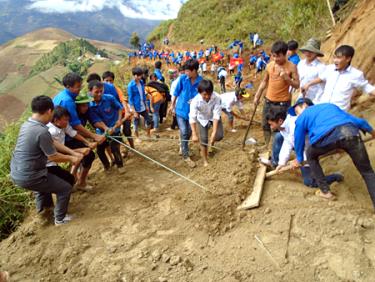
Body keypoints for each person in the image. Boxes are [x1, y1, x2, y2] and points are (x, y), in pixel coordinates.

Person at [11, 96, 82, 225]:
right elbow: (53, 156)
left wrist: (72, 153)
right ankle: (60, 219)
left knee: (42, 187)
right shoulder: (41, 131)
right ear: (50, 111)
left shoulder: (27, 125)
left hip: (17, 173)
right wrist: (72, 158)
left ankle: (44, 212)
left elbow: (52, 142)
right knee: (65, 188)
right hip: (31, 175)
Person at [290, 99, 375, 206]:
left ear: (304, 105)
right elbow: (360, 122)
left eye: (297, 111)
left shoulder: (303, 116)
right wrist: (373, 133)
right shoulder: (329, 106)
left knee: (310, 155)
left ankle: (325, 192)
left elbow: (298, 138)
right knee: (367, 172)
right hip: (351, 134)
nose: (297, 115)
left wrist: (299, 158)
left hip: (327, 137)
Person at [264, 107, 343, 188]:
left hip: (317, 146)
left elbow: (310, 146)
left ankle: (336, 176)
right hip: (303, 147)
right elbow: (288, 142)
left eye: (271, 124)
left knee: (309, 181)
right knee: (279, 137)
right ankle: (276, 162)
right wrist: (282, 163)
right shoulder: (284, 127)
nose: (270, 127)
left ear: (280, 121)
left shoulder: (295, 126)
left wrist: (299, 160)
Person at [53, 73, 103, 188]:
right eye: (77, 87)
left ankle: (75, 179)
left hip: (65, 134)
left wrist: (87, 140)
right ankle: (79, 182)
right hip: (64, 138)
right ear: (68, 86)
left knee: (80, 156)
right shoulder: (68, 101)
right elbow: (75, 125)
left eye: (80, 86)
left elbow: (71, 128)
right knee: (88, 155)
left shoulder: (61, 96)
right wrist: (93, 136)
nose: (79, 89)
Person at [253, 40, 300, 145]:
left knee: (278, 128)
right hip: (268, 101)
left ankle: (275, 148)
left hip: (282, 104)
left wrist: (287, 78)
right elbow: (264, 81)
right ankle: (267, 144)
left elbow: (297, 85)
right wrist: (257, 95)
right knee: (265, 125)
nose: (275, 59)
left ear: (285, 54)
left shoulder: (292, 67)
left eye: (278, 56)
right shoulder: (270, 66)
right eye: (273, 56)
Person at [302, 45, 375, 111]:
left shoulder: (355, 75)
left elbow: (367, 87)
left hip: (338, 113)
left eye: (339, 58)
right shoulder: (329, 69)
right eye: (334, 57)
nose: (335, 60)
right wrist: (308, 84)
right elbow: (321, 78)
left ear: (348, 59)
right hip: (322, 108)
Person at [47, 106, 97, 191]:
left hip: (60, 152)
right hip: (51, 160)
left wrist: (87, 142)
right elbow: (57, 152)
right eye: (65, 120)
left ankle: (79, 182)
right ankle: (73, 183)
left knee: (86, 155)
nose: (67, 122)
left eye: (68, 119)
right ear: (56, 120)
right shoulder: (51, 132)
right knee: (65, 182)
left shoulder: (62, 125)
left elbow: (72, 133)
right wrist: (79, 150)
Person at [170, 59, 203, 168]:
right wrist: (172, 105)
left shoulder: (201, 81)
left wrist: (195, 100)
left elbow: (202, 96)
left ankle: (183, 146)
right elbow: (176, 93)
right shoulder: (183, 78)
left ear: (194, 71)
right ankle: (185, 155)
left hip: (192, 113)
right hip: (180, 110)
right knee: (184, 131)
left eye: (188, 71)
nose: (186, 73)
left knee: (188, 132)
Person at [88, 80, 124, 171]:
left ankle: (120, 166)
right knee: (100, 151)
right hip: (101, 133)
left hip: (114, 129)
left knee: (114, 148)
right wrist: (106, 129)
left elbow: (119, 108)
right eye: (96, 92)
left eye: (101, 91)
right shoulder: (89, 105)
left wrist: (119, 120)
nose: (100, 94)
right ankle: (107, 166)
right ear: (90, 91)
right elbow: (96, 120)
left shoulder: (109, 98)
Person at [190, 80, 223, 167]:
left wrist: (214, 132)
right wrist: (194, 134)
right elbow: (192, 117)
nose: (207, 96)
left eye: (209, 94)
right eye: (204, 94)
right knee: (204, 141)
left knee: (219, 136)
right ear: (199, 92)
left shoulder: (217, 97)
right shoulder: (195, 101)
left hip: (213, 118)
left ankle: (211, 143)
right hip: (202, 119)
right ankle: (205, 160)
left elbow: (216, 115)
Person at [102, 71, 134, 150]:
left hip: (122, 113)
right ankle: (124, 148)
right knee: (116, 134)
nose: (109, 83)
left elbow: (123, 100)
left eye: (111, 81)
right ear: (103, 81)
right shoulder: (101, 91)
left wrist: (126, 112)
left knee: (127, 131)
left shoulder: (116, 89)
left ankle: (132, 147)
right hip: (113, 116)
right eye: (107, 81)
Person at [297, 38, 326, 103]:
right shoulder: (301, 64)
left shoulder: (321, 67)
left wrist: (308, 84)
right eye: (307, 51)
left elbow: (322, 82)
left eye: (311, 51)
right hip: (302, 97)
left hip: (315, 100)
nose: (308, 53)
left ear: (316, 53)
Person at [128, 67, 152, 141]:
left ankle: (148, 134)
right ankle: (137, 137)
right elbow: (130, 99)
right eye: (138, 76)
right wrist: (134, 111)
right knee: (135, 123)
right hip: (136, 107)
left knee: (149, 120)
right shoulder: (130, 86)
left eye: (140, 75)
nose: (139, 77)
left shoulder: (141, 82)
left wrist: (146, 105)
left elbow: (143, 95)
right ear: (134, 75)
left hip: (143, 106)